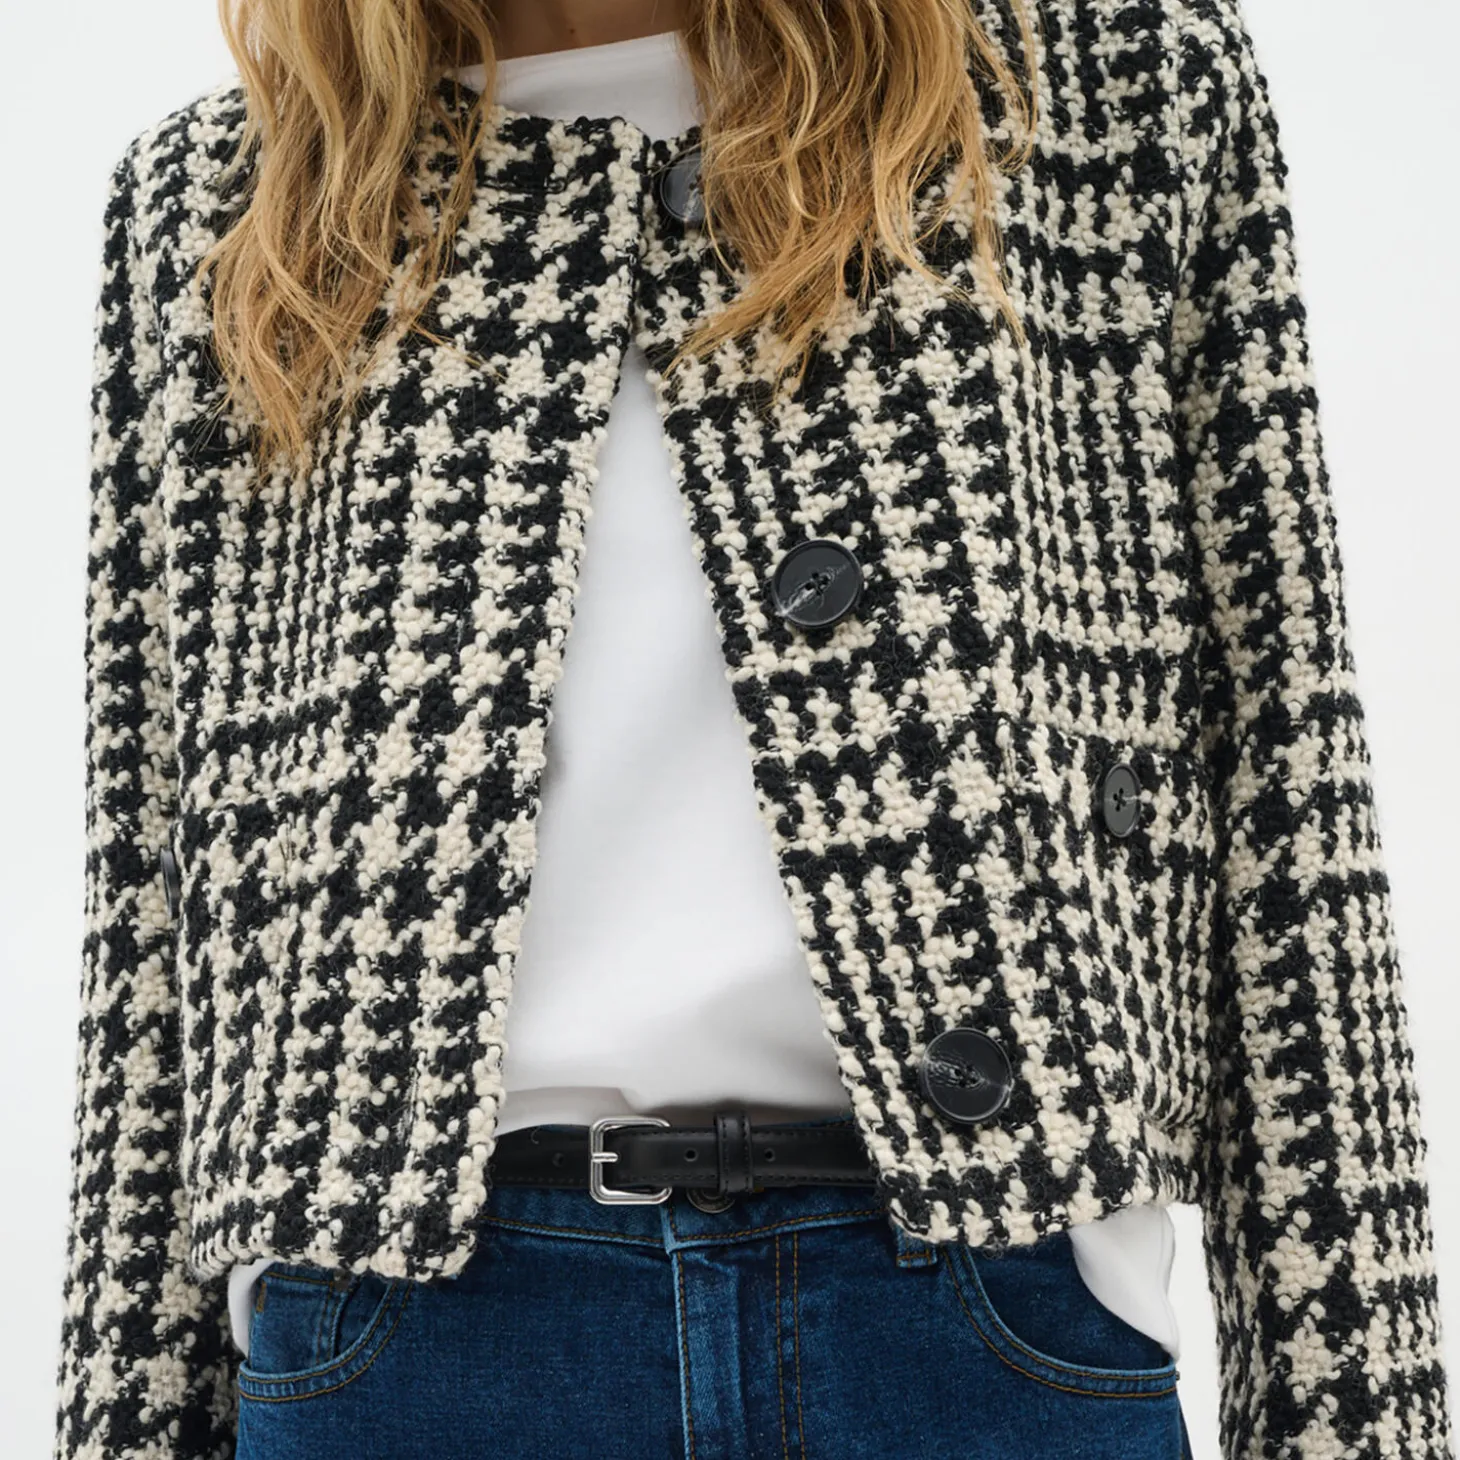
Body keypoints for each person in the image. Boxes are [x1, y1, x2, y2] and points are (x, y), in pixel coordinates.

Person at [53, 1, 1452, 1457]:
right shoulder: (222, 201)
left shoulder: (1095, 95)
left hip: (986, 1320)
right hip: (412, 1351)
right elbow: (157, 926)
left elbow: (1287, 790)